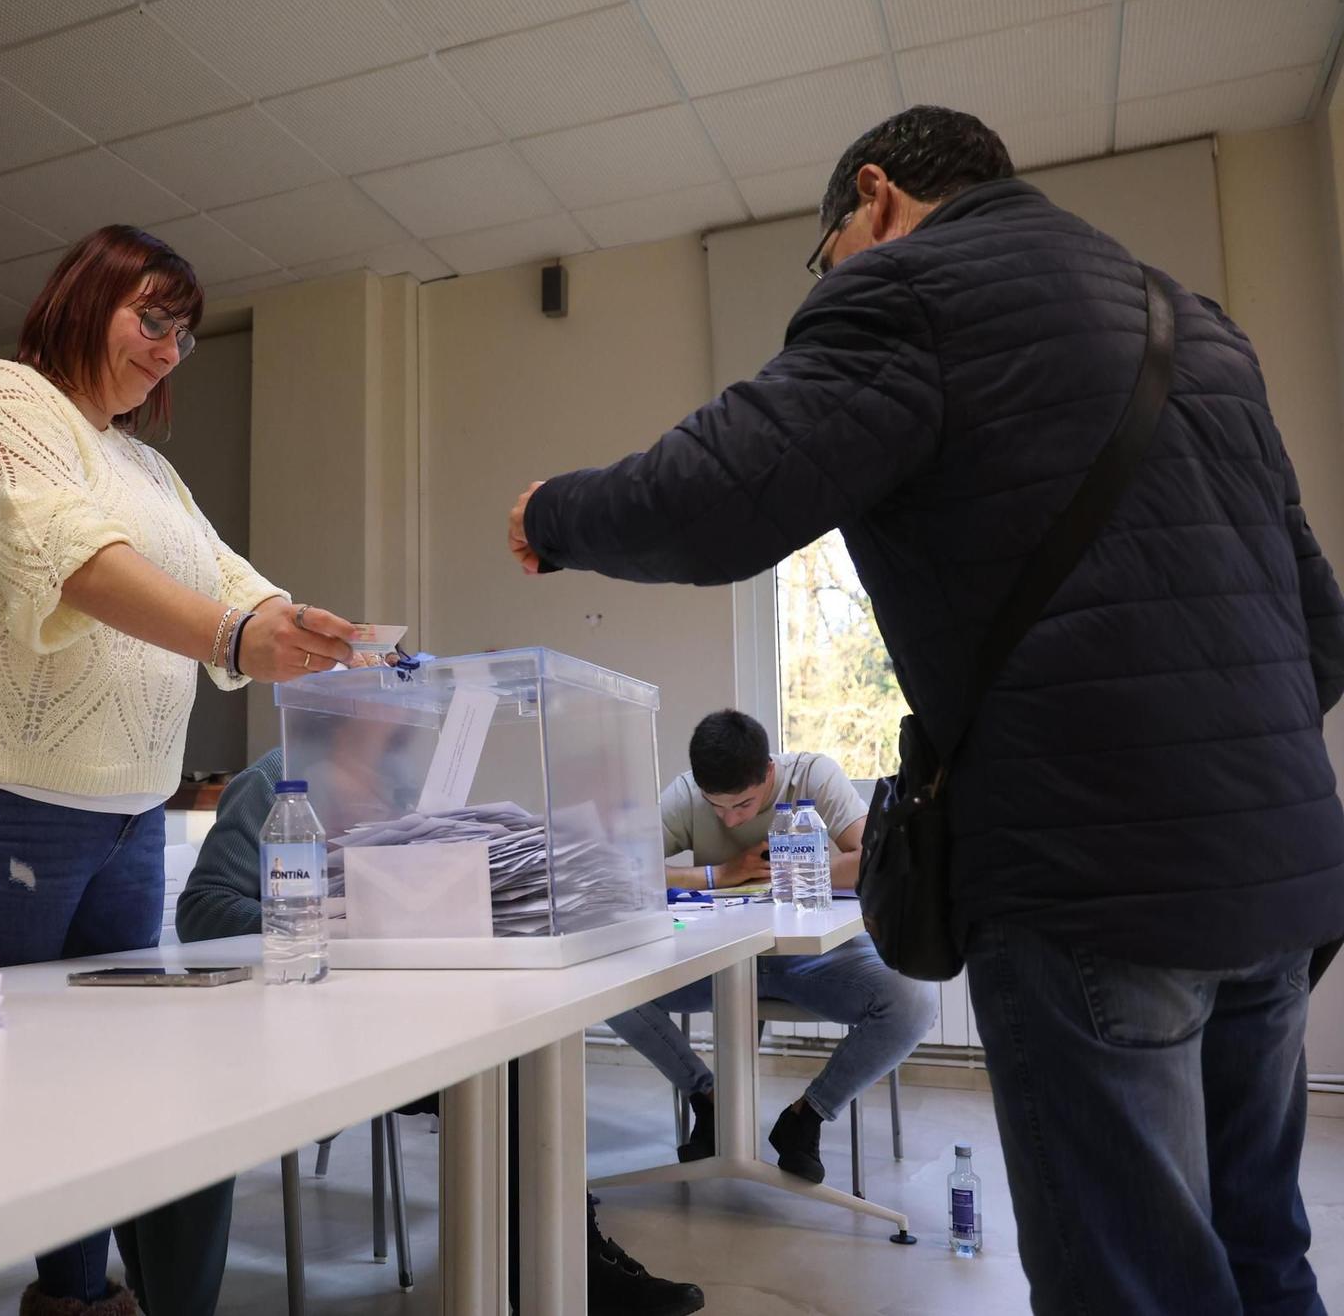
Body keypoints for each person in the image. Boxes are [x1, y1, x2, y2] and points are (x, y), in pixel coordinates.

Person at [507, 104, 1343, 1315]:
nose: (835, 272)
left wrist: (550, 514)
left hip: (1087, 874)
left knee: (1134, 1277)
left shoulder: (907, 293)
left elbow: (716, 496)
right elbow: (1318, 630)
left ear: (875, 195)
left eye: (828, 246)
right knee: (1260, 1253)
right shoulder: (1192, 323)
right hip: (1279, 872)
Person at [0, 225, 365, 1316]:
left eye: (184, 336)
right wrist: (237, 637)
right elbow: (72, 556)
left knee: (94, 1083)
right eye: (151, 318)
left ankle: (76, 1297)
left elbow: (226, 580)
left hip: (125, 807)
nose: (167, 349)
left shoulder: (145, 466)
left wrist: (305, 629)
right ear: (82, 296)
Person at [178, 747, 706, 1316]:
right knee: (504, 1066)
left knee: (520, 1049)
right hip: (312, 1024)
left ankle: (566, 1256)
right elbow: (203, 908)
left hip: (402, 1011)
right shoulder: (276, 782)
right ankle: (561, 1268)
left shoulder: (399, 779)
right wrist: (328, 921)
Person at [603, 710, 936, 1183]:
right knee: (605, 982)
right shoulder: (685, 795)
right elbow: (619, 868)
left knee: (914, 1000)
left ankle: (806, 1118)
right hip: (716, 962)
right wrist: (718, 875)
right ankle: (710, 1100)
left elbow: (870, 861)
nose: (730, 817)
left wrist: (785, 865)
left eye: (743, 805)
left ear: (768, 772)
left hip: (812, 960)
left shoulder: (812, 775)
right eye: (715, 806)